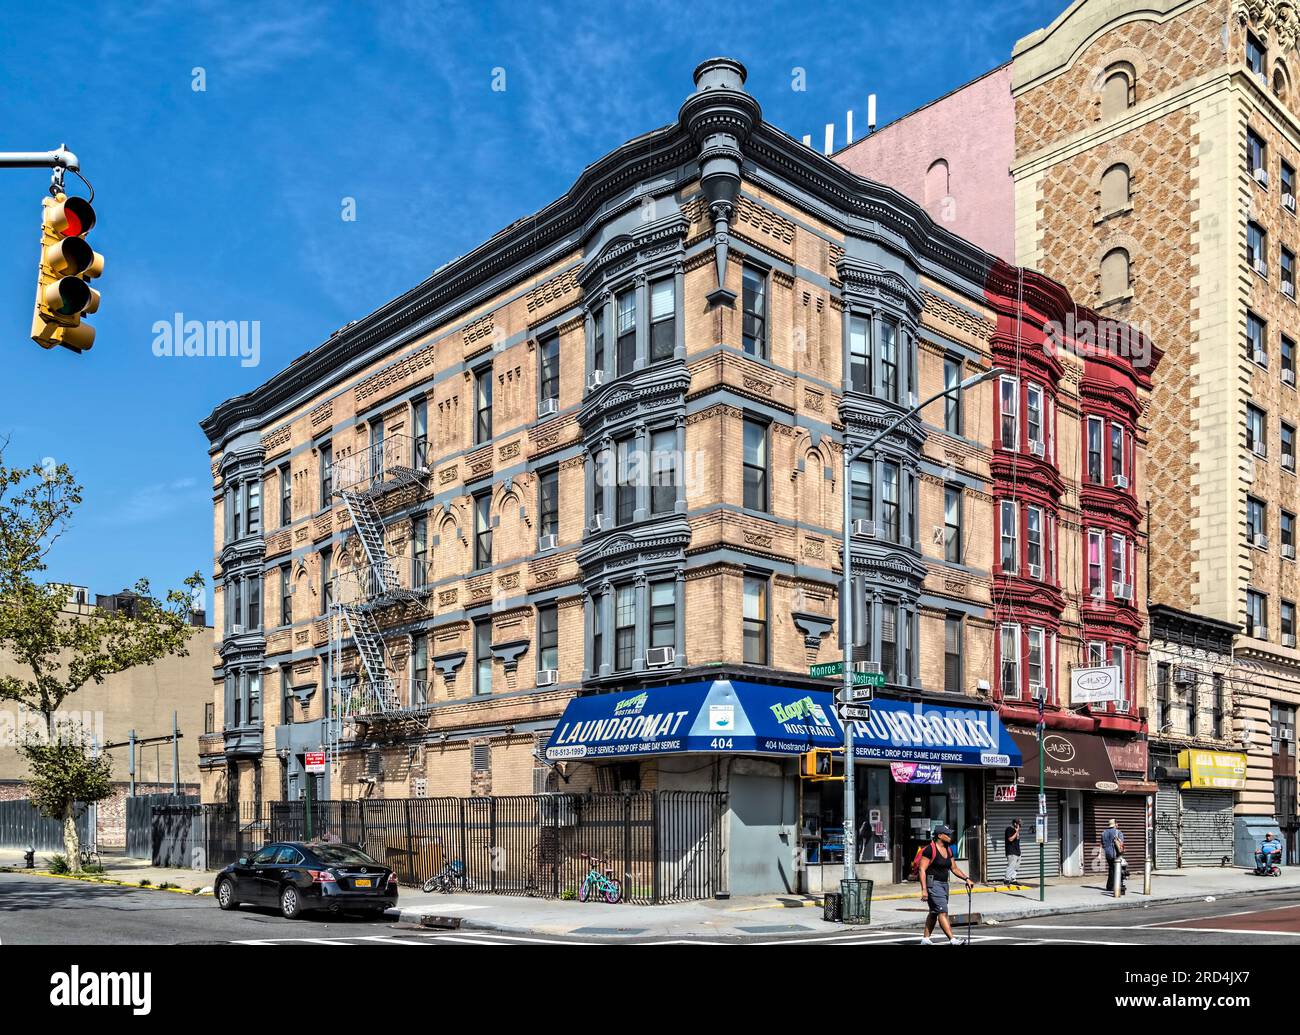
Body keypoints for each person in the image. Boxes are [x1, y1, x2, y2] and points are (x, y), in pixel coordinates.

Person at [918, 825, 974, 945]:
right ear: (939, 835)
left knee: (934, 912)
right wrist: (924, 889)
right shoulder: (930, 850)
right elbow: (922, 869)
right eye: (947, 834)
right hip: (933, 884)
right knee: (942, 912)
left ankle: (925, 939)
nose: (950, 836)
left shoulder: (948, 849)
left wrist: (966, 879)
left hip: (944, 884)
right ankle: (953, 940)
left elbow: (954, 868)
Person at [1101, 819, 1125, 895]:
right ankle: (1116, 886)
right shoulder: (1118, 832)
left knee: (1111, 868)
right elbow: (1121, 843)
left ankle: (1109, 886)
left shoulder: (1103, 833)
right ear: (1115, 824)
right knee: (1117, 870)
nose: (1118, 824)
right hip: (1115, 853)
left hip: (1107, 853)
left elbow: (1102, 843)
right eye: (1117, 823)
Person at [1004, 818, 1022, 884]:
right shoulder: (1009, 829)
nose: (1020, 825)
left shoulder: (1016, 831)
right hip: (1011, 851)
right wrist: (1016, 832)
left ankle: (1012, 879)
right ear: (1015, 824)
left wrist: (1017, 832)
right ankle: (1007, 879)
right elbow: (1010, 839)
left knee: (1016, 866)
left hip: (1017, 852)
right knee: (1011, 865)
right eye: (1019, 824)